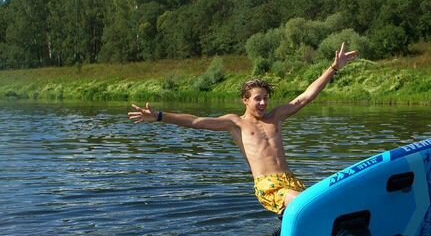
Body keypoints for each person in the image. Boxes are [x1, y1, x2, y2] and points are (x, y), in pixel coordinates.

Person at [128, 42, 358, 217]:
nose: (263, 103)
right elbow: (195, 121)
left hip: (290, 181)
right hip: (268, 186)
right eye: (258, 99)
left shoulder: (276, 117)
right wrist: (159, 116)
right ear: (245, 100)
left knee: (312, 201)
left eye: (266, 98)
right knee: (306, 203)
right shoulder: (235, 123)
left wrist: (333, 69)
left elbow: (304, 98)